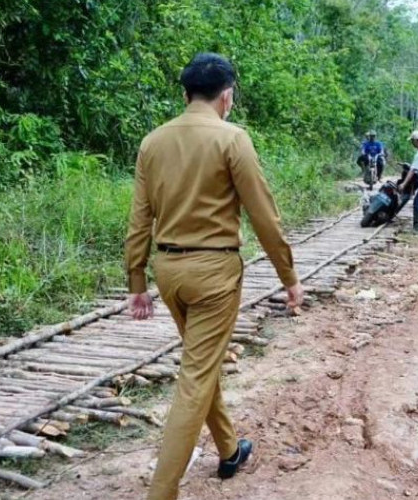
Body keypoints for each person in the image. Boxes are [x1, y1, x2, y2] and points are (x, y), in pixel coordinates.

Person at [124, 52, 304, 500]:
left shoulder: (153, 142)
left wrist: (136, 282)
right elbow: (264, 216)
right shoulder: (232, 139)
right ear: (227, 97)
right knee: (195, 378)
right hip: (214, 275)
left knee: (199, 367)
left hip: (168, 273)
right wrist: (289, 275)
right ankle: (161, 492)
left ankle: (228, 449)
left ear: (185, 95)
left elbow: (138, 219)